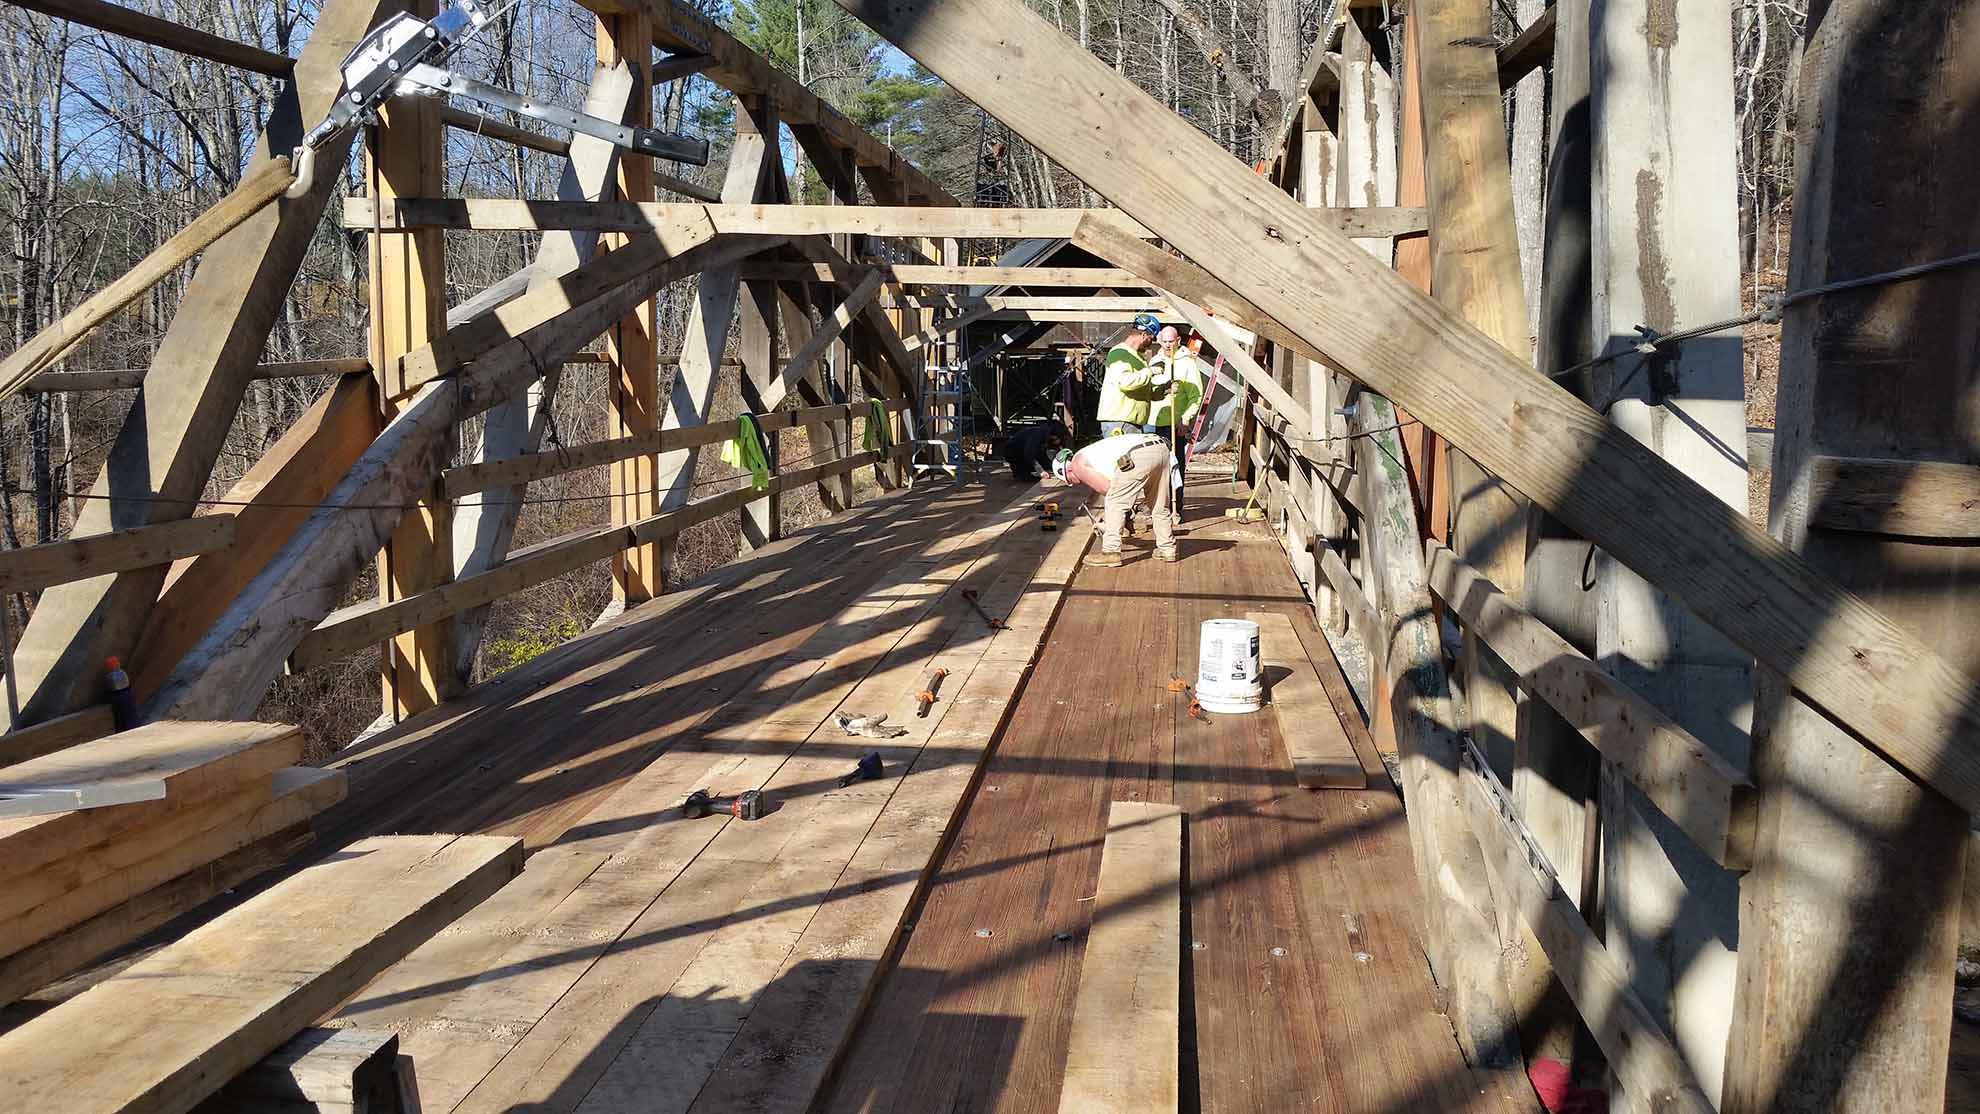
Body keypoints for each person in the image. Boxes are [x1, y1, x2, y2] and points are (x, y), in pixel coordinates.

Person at [1048, 431, 1176, 567]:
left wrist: (1107, 525)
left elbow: (1110, 492)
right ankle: (1167, 549)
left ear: (1067, 471)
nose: (1076, 483)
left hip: (1138, 454)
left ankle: (1110, 552)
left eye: (1071, 481)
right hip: (1160, 448)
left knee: (1114, 501)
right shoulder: (1092, 453)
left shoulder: (1076, 464)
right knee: (1159, 503)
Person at [1096, 313, 1161, 437]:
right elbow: (1125, 383)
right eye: (1151, 339)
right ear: (1144, 334)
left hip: (1130, 422)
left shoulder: (1137, 357)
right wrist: (1150, 371)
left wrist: (1162, 390)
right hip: (1120, 422)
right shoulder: (1120, 353)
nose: (1151, 343)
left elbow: (1139, 388)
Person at [1002, 419, 1068, 482]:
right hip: (1013, 452)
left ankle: (1022, 473)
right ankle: (1020, 473)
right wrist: (1041, 471)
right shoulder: (1038, 435)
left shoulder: (1045, 434)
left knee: (1043, 459)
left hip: (1021, 451)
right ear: (1054, 436)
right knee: (1024, 476)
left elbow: (1044, 454)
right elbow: (1029, 454)